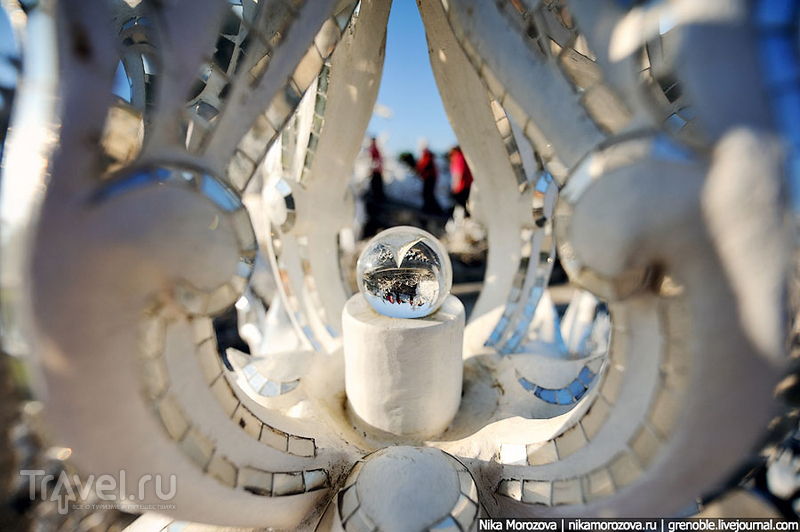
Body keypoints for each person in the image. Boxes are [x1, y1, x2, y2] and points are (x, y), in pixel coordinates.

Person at [415, 138, 442, 215]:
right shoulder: (427, 154)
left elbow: (424, 165)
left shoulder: (427, 154)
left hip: (429, 177)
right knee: (428, 193)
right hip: (429, 177)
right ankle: (430, 208)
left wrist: (419, 168)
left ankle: (432, 209)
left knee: (428, 193)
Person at [448, 145, 473, 216]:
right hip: (466, 184)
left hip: (463, 185)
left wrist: (455, 186)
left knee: (462, 203)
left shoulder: (458, 157)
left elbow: (459, 172)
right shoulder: (461, 156)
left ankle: (465, 217)